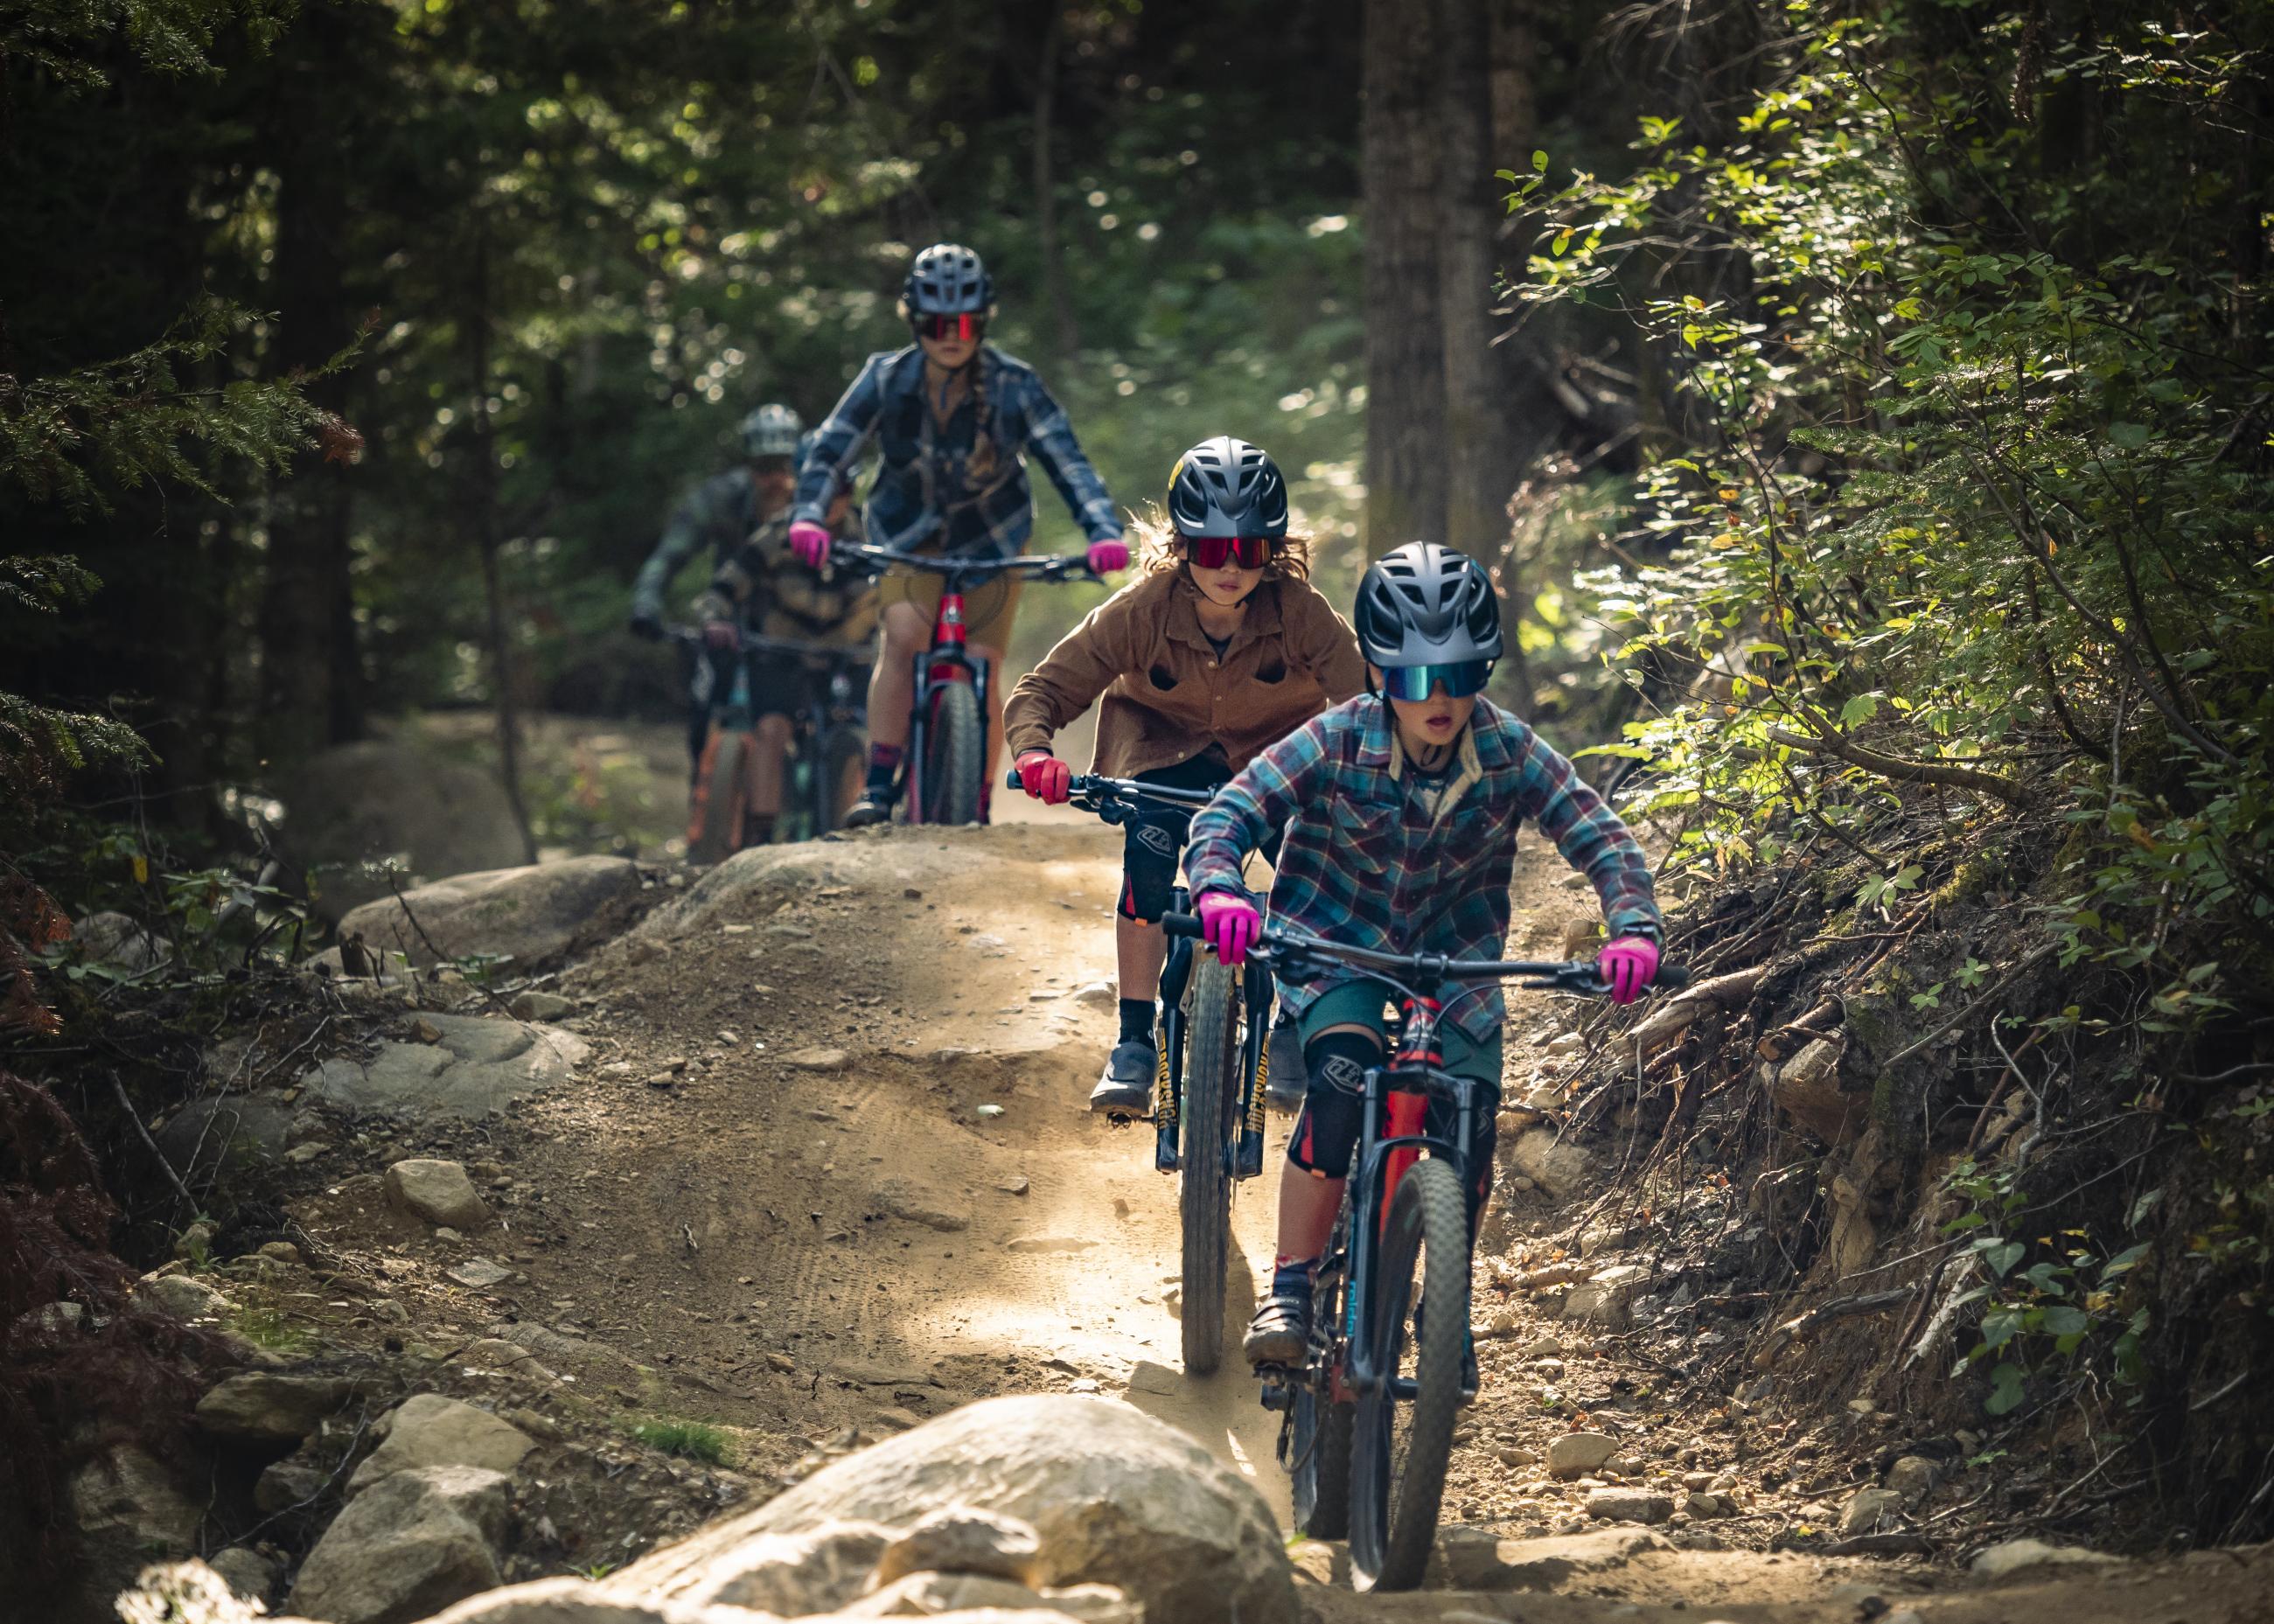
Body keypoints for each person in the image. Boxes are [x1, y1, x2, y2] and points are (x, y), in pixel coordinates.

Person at [1176, 542, 1665, 1370]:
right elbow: (1230, 814)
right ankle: (1292, 1284)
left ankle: (1447, 1303)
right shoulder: (1332, 739)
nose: (1437, 698)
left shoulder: (1512, 750)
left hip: (1460, 965)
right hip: (1338, 946)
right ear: (1376, 673)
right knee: (1334, 1091)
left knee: (1468, 1128)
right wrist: (1219, 890)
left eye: (1459, 673)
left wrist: (1633, 928)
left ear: (1485, 669)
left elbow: (1603, 840)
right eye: (1412, 678)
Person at [1002, 436, 1366, 1113]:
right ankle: (1135, 1040)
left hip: (1275, 764)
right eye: (1210, 549)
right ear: (1182, 545)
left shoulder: (1301, 612)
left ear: (1273, 551)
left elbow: (1368, 702)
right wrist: (1034, 753)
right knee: (1147, 857)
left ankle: (1291, 1021)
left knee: (1309, 862)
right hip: (1164, 759)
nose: (1229, 567)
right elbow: (1041, 691)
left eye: (1249, 550)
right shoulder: (1143, 609)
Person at [788, 243, 1127, 827]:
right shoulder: (885, 378)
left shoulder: (1015, 384)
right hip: (904, 535)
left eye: (966, 322)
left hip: (994, 539)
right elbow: (831, 447)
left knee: (983, 661)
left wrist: (1101, 529)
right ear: (915, 322)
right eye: (937, 323)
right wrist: (809, 514)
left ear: (984, 322)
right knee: (902, 637)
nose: (953, 335)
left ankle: (975, 799)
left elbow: (1067, 461)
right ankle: (877, 783)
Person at [689, 436, 880, 843]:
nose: (830, 499)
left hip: (848, 659)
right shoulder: (776, 535)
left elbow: (897, 597)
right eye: (818, 487)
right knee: (771, 730)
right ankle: (760, 835)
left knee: (866, 731)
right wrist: (714, 621)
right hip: (781, 656)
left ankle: (879, 817)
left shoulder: (871, 539)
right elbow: (722, 591)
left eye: (840, 488)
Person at [631, 401, 806, 774]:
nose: (774, 478)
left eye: (782, 466)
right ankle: (705, 796)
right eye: (763, 468)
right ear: (749, 466)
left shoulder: (816, 502)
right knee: (705, 701)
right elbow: (667, 556)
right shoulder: (720, 499)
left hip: (795, 622)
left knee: (807, 710)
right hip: (729, 617)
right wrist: (646, 605)